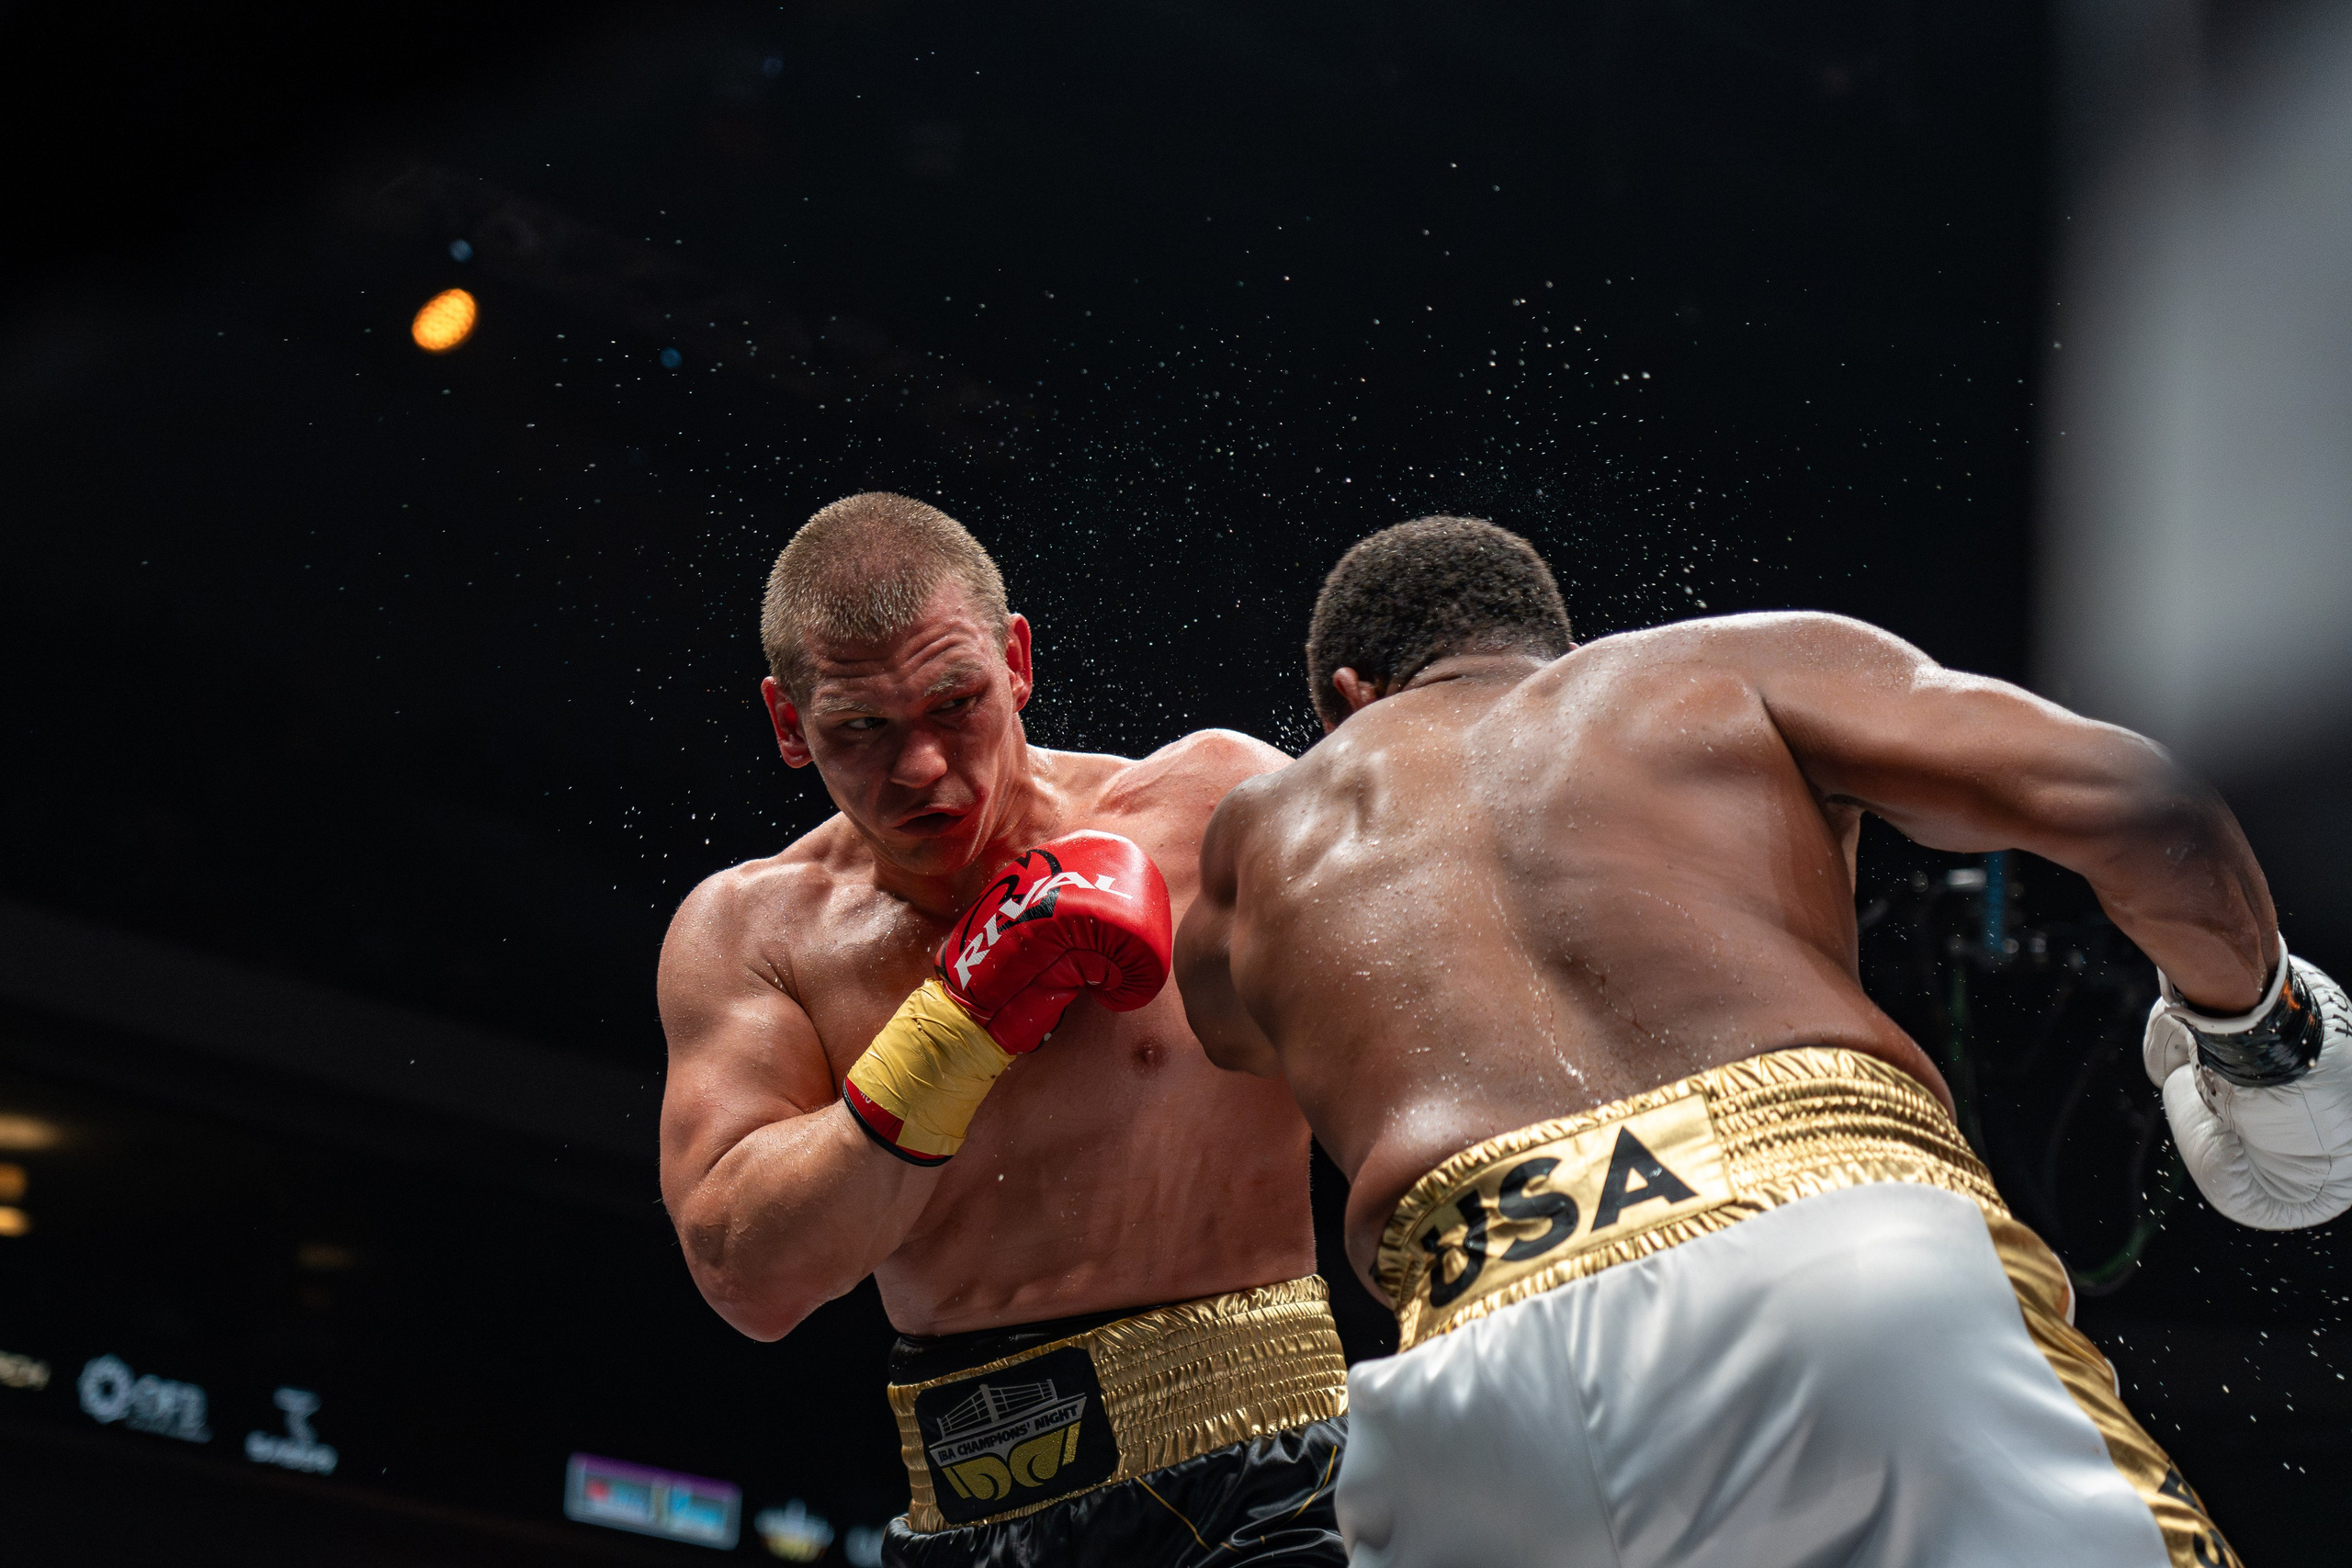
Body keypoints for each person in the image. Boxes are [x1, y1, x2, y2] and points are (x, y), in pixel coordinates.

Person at [1177, 515, 2352, 1568]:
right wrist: (2261, 1043)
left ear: (1342, 700)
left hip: (1471, 1373)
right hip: (1827, 1249)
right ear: (1552, 642)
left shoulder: (1259, 836)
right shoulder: (1712, 671)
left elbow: (1227, 1038)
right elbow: (2141, 807)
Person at [658, 493, 1350, 1567]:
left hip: (1270, 1487)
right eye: (861, 729)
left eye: (955, 702)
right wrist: (959, 1022)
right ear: (790, 726)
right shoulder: (756, 933)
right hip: (970, 1518)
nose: (923, 767)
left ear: (1016, 660)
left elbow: (1420, 1038)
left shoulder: (1211, 806)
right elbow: (747, 1278)